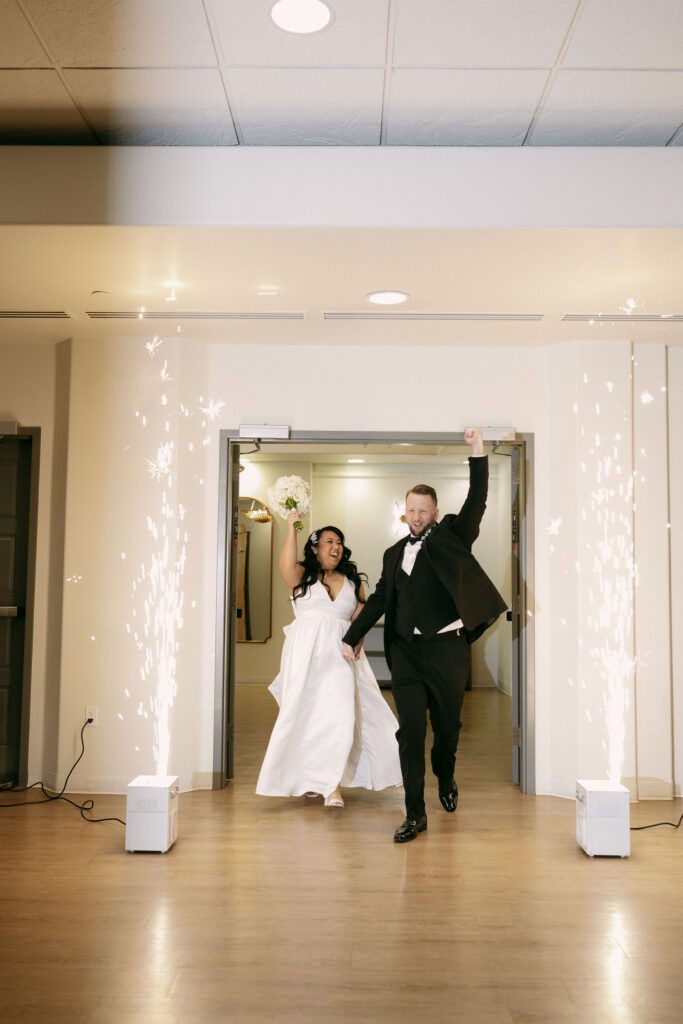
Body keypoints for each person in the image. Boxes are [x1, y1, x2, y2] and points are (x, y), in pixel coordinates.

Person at [342, 427, 507, 842]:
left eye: (424, 511)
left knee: (447, 730)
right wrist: (352, 636)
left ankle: (446, 776)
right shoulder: (394, 553)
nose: (417, 517)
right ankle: (415, 813)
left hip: (448, 652)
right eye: (411, 511)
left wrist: (477, 450)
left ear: (435, 512)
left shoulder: (453, 536)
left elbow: (478, 500)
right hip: (408, 656)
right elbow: (380, 598)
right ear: (405, 513)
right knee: (410, 733)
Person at [256, 511, 403, 807]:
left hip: (340, 655)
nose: (336, 546)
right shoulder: (301, 576)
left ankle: (332, 785)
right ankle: (311, 777)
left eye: (339, 542)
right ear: (315, 548)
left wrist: (357, 643)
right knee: (306, 716)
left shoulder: (352, 581)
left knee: (339, 716)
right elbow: (284, 566)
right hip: (304, 655)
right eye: (329, 541)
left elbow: (361, 619)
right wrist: (291, 527)